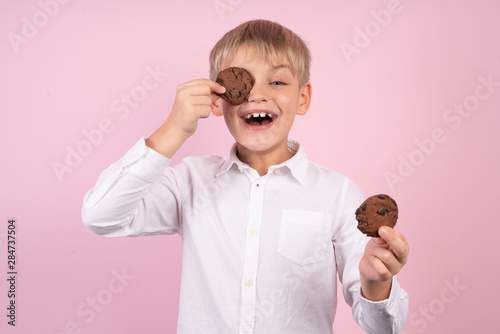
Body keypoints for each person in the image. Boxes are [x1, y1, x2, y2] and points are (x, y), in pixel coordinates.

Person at [82, 19, 409, 333]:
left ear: (303, 97)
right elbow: (102, 216)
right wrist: (173, 130)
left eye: (277, 81)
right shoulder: (192, 181)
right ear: (218, 97)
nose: (257, 94)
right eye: (243, 81)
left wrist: (376, 283)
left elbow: (382, 326)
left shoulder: (337, 193)